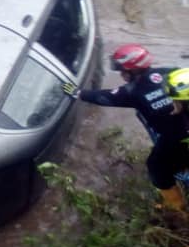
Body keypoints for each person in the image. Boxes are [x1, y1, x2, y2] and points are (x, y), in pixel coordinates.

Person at [65, 44, 189, 211]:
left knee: (156, 167)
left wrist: (78, 93)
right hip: (182, 129)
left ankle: (176, 207)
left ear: (133, 71)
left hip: (173, 137)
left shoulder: (132, 91)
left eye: (122, 71)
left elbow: (105, 97)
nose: (121, 74)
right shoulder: (171, 73)